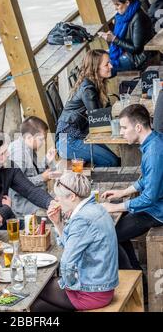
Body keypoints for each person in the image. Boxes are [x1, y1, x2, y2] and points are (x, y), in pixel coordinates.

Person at [31, 172, 118, 312]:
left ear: (72, 197)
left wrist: (68, 286)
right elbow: (72, 246)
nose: (56, 201)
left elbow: (67, 262)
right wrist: (58, 223)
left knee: (33, 292)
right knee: (39, 299)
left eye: (58, 197)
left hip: (91, 293)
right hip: (104, 286)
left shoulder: (82, 219)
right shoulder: (96, 208)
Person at [101, 104, 163, 271]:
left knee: (109, 234)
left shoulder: (154, 152)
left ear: (138, 127)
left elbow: (149, 197)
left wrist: (115, 207)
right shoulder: (153, 140)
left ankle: (134, 280)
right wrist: (123, 192)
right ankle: (135, 272)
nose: (121, 132)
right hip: (155, 204)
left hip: (157, 211)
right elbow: (147, 180)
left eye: (123, 127)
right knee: (116, 231)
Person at [56, 49, 120, 167]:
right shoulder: (88, 89)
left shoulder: (94, 84)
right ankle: (96, 185)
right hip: (68, 141)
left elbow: (102, 116)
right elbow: (98, 121)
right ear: (95, 68)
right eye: (107, 64)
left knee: (116, 160)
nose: (111, 66)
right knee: (112, 162)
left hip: (79, 136)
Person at [8, 116, 58, 217]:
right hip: (25, 207)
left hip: (35, 198)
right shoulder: (18, 153)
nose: (43, 143)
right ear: (29, 137)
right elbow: (16, 184)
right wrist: (42, 178)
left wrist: (46, 160)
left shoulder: (29, 147)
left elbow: (33, 171)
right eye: (41, 139)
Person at [98, 0, 153, 75]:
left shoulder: (138, 17)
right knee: (100, 60)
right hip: (127, 51)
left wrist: (114, 39)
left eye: (118, 5)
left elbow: (136, 49)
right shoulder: (122, 16)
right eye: (114, 5)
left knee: (101, 69)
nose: (115, 8)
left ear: (127, 3)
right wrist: (112, 36)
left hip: (139, 58)